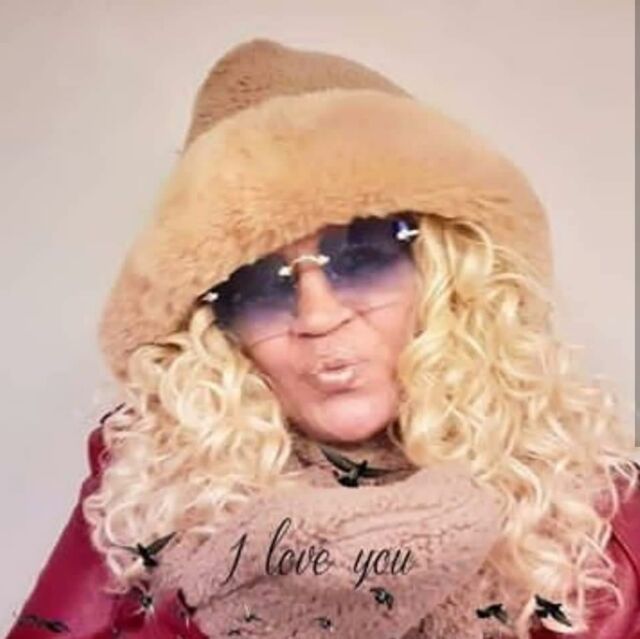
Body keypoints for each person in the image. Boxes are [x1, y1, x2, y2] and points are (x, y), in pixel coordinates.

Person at [7, 38, 639, 639]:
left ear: (443, 272)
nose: (318, 315)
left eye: (360, 257)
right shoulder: (147, 485)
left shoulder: (592, 506)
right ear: (219, 328)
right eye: (260, 285)